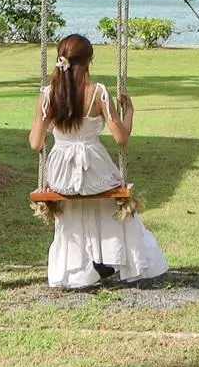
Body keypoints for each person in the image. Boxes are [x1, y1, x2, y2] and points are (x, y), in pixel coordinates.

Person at [29, 32, 169, 290]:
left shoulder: (48, 95)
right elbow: (120, 138)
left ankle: (81, 270)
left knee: (74, 208)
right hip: (95, 170)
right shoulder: (99, 93)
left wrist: (44, 118)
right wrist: (129, 113)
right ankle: (115, 259)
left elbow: (36, 144)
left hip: (61, 176)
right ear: (89, 61)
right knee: (113, 201)